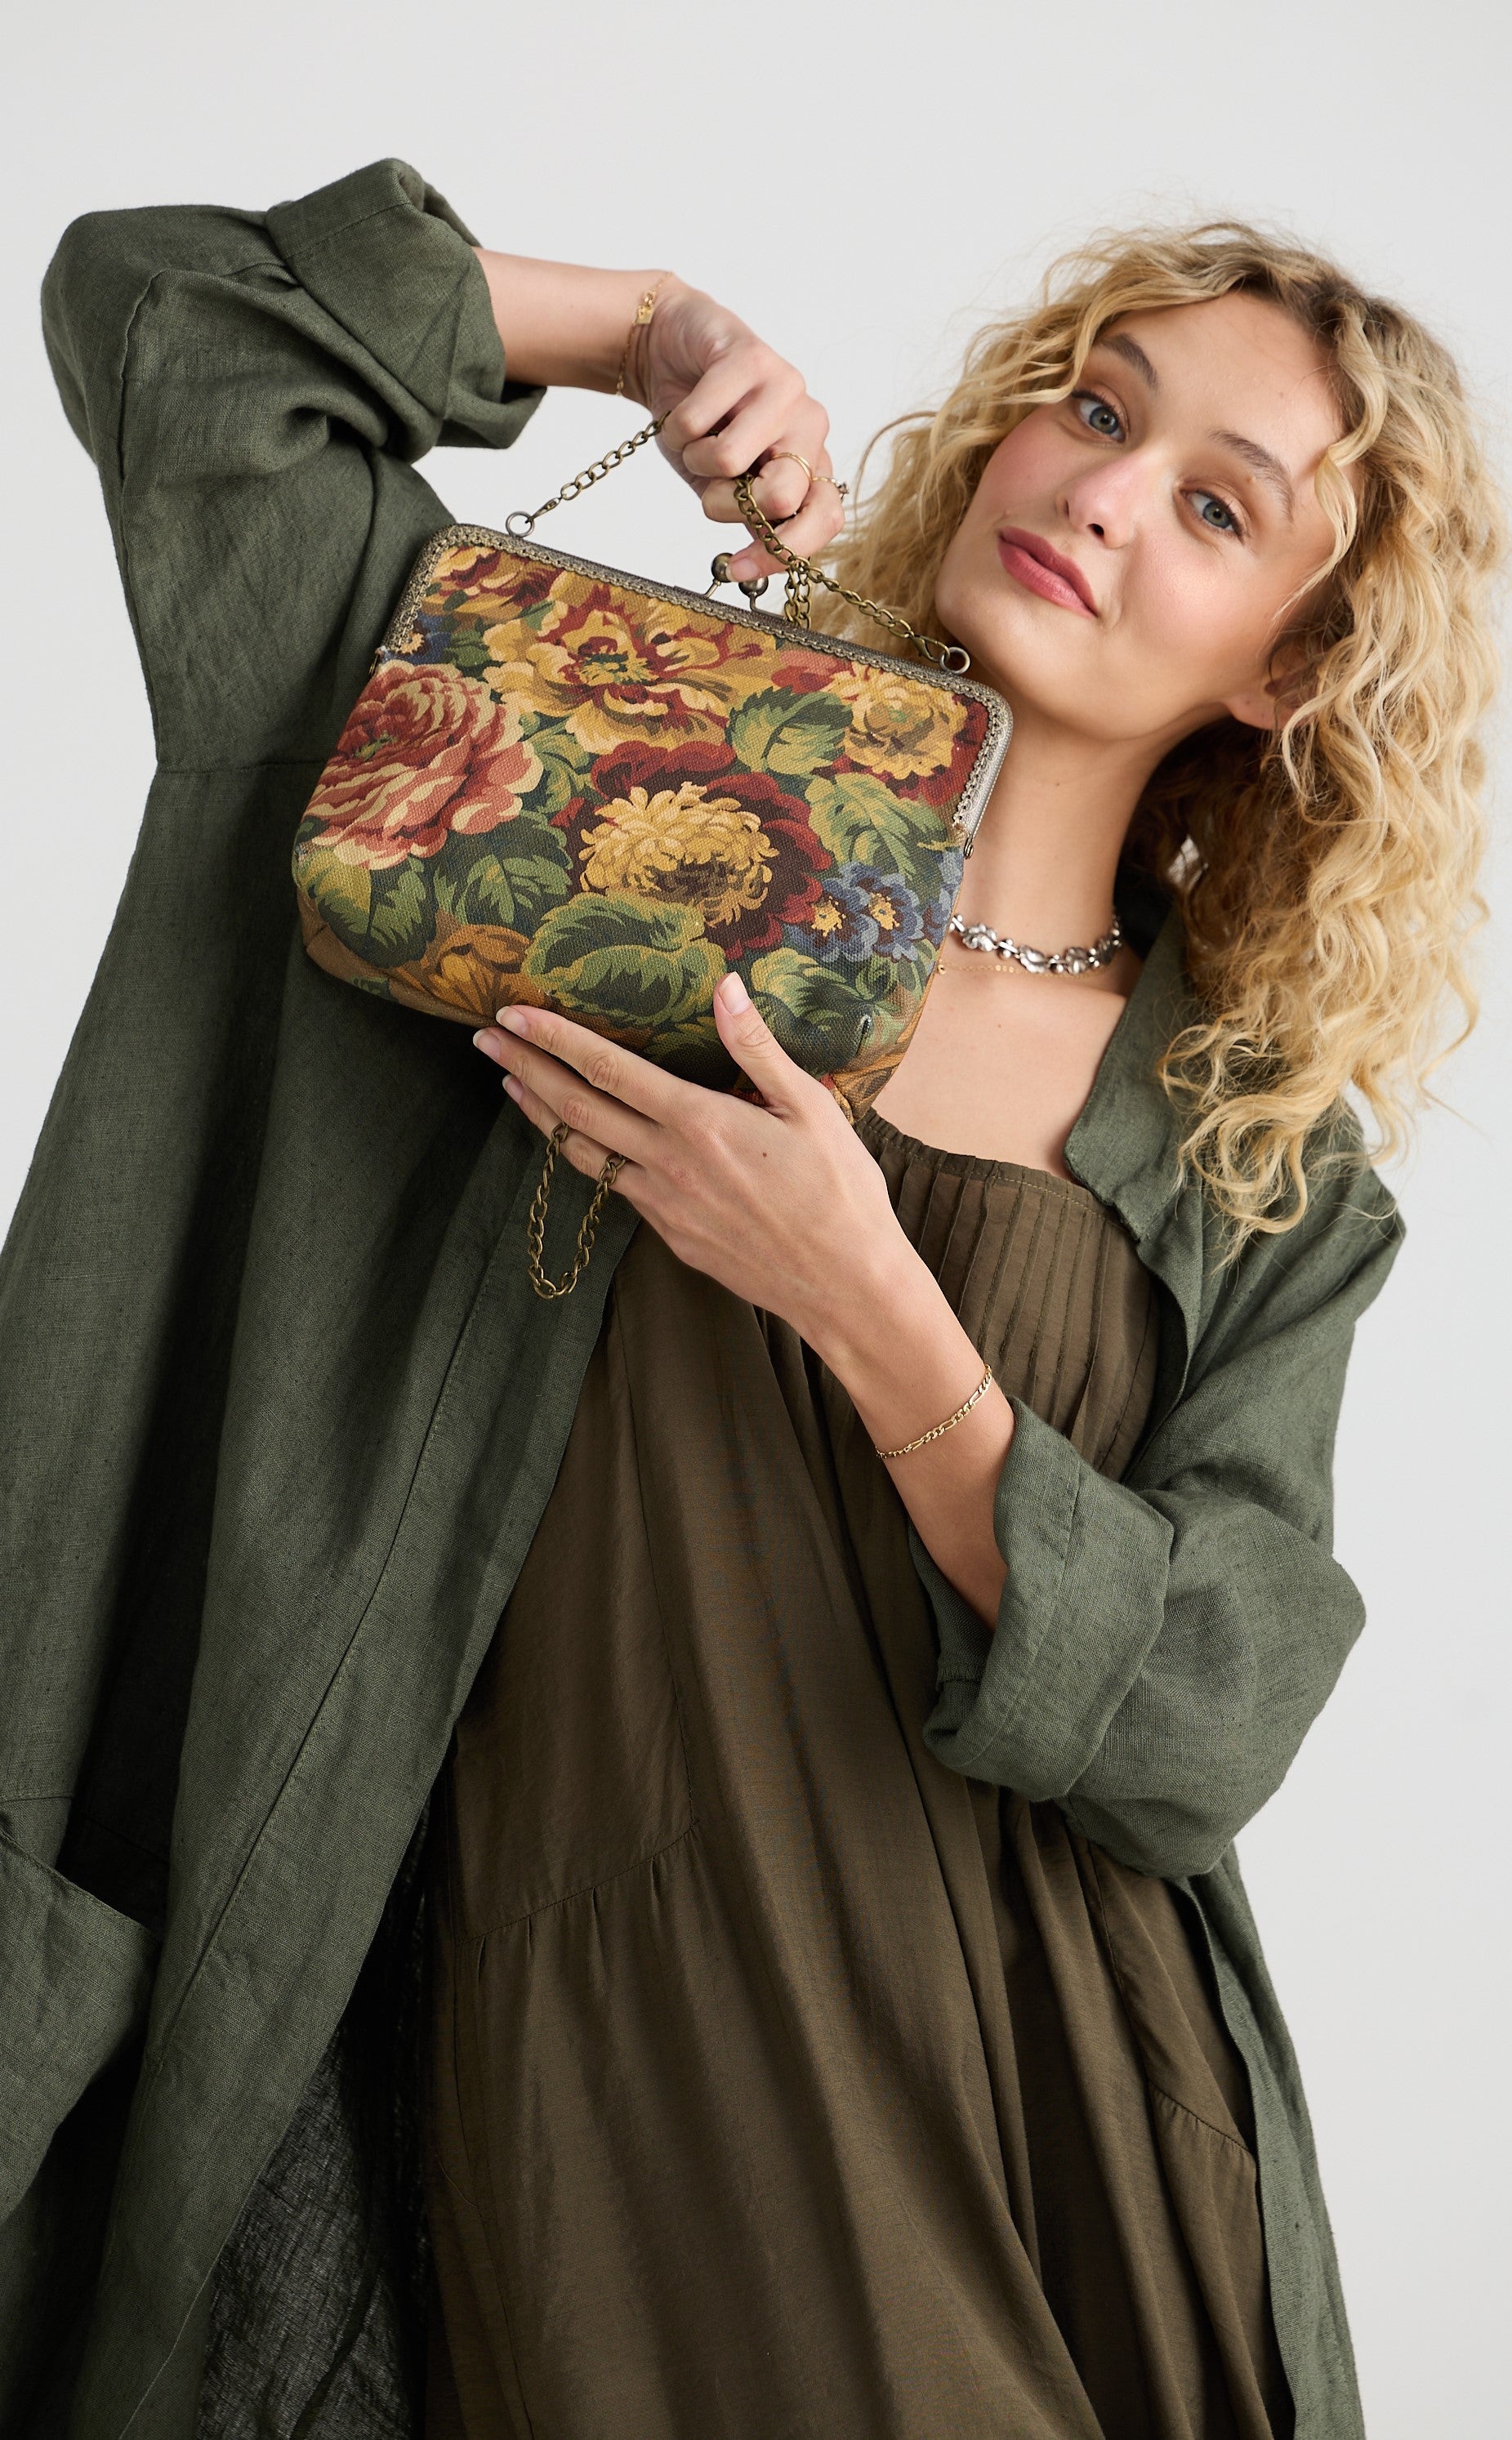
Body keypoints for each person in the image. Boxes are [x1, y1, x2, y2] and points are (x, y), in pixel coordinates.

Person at [0, 158, 1496, 2440]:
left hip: (1042, 2102)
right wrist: (640, 330)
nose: (1104, 493)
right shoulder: (570, 779)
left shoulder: (1252, 1164)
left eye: (1217, 506)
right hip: (557, 2073)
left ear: (1286, 665)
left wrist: (875, 1303)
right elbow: (168, 311)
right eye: (1096, 410)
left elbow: (1213, 1719)